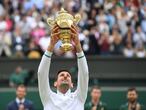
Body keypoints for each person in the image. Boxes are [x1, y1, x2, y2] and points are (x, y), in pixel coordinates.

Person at [37, 24, 89, 110]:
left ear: (72, 84)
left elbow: (85, 73)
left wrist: (78, 45)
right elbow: (41, 73)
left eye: (68, 75)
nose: (65, 76)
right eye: (61, 75)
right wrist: (51, 45)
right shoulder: (48, 97)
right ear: (55, 83)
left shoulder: (79, 97)